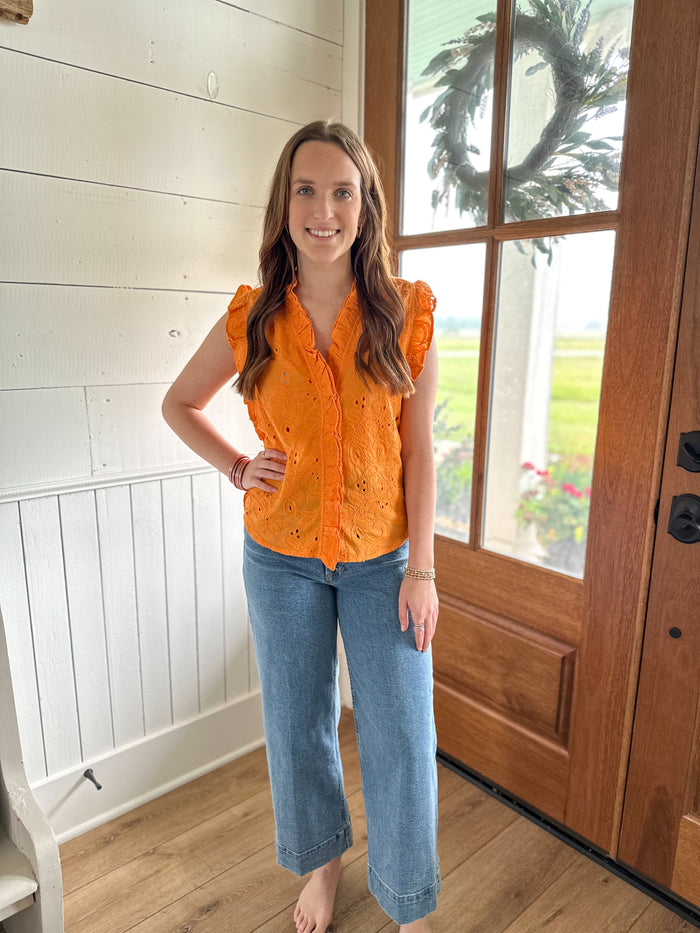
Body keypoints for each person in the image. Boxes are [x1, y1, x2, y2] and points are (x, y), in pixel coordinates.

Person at [162, 120, 440, 933]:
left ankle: (407, 901)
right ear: (285, 205)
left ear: (367, 206)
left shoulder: (406, 315)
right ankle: (323, 862)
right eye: (307, 190)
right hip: (278, 558)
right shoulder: (254, 319)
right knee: (296, 724)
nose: (324, 210)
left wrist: (423, 569)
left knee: (400, 734)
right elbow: (179, 404)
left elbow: (419, 451)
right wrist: (239, 466)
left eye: (343, 192)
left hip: (383, 559)